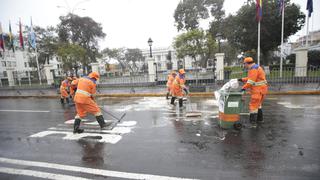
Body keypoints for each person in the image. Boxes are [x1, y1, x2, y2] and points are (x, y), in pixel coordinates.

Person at [238, 57, 268, 128]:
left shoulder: (253, 69)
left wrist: (243, 88)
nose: (244, 65)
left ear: (247, 63)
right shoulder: (256, 67)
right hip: (262, 90)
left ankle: (252, 124)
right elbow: (250, 78)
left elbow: (250, 82)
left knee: (253, 106)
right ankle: (260, 120)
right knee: (258, 105)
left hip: (258, 90)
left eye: (244, 64)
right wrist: (241, 79)